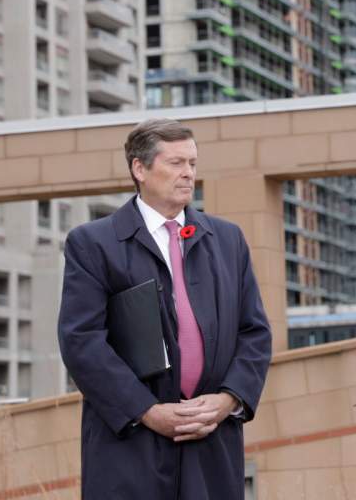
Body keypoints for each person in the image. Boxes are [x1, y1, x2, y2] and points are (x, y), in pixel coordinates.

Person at [57, 118, 272, 499]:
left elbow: (254, 332)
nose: (188, 173)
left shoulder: (227, 240)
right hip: (131, 441)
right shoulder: (94, 244)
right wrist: (148, 411)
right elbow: (81, 342)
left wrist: (227, 400)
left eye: (192, 162)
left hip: (211, 437)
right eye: (175, 163)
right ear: (139, 169)